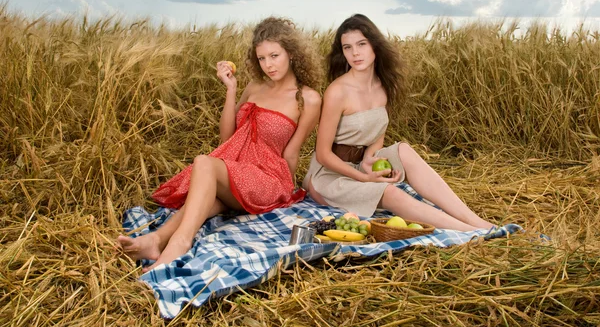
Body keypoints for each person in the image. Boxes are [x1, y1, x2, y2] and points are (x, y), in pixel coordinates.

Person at [118, 17, 322, 270]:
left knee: (205, 163)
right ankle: (155, 240)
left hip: (268, 178)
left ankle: (178, 243)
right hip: (237, 170)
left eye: (274, 55)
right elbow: (227, 138)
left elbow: (292, 153)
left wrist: (287, 194)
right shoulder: (256, 86)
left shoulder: (308, 98)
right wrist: (231, 89)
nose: (268, 65)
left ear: (291, 53)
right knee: (205, 201)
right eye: (261, 59)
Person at [303, 14, 494, 232]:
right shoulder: (337, 92)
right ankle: (472, 231)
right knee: (390, 192)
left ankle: (476, 221)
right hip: (330, 175)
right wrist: (364, 178)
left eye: (361, 44)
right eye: (347, 47)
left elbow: (377, 135)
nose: (355, 53)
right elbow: (323, 154)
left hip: (361, 166)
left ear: (375, 45)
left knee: (403, 150)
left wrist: (369, 161)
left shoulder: (383, 87)